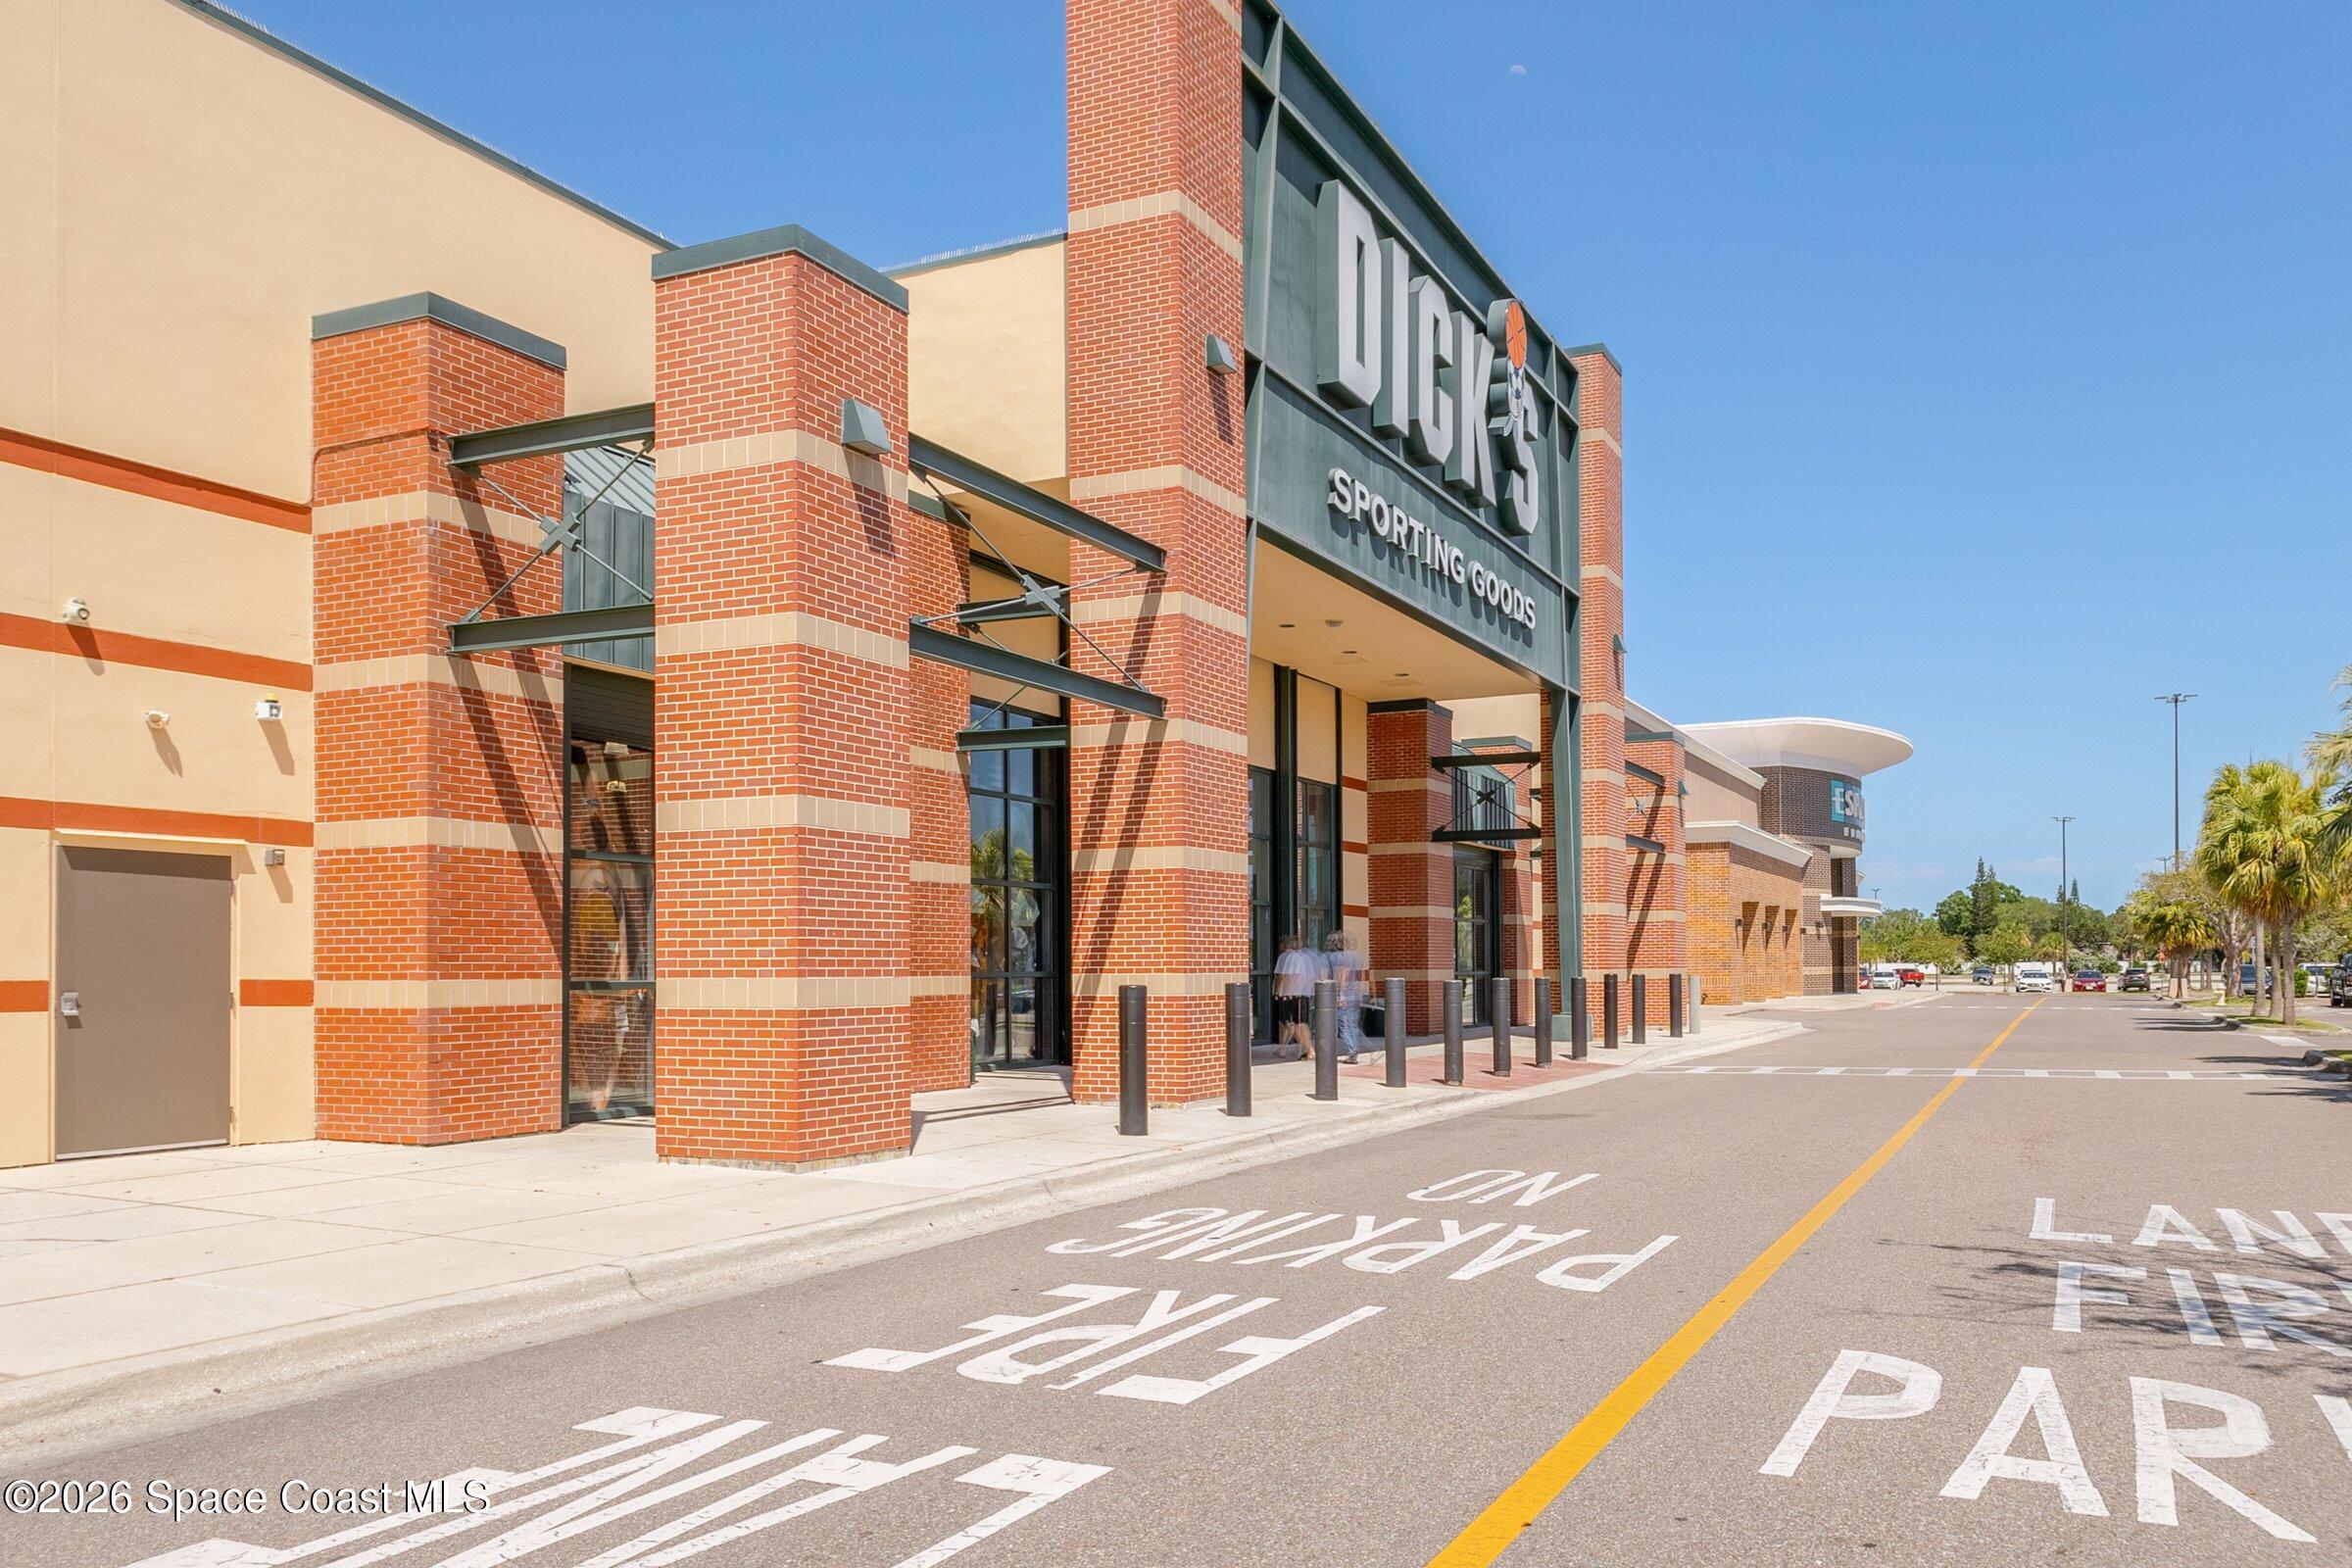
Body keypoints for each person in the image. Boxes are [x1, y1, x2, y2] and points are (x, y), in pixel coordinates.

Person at [1273, 933, 1322, 1057]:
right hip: (1304, 992)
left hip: (1290, 993)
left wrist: (1278, 992)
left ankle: (1309, 1049)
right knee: (1293, 1022)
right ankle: (1285, 1048)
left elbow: (1283, 976)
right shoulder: (1307, 957)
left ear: (1284, 945)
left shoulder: (1285, 957)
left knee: (1293, 1023)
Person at [1324, 928, 1365, 1063]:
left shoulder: (1339, 957)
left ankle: (1352, 1051)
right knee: (1352, 1023)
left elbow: (1343, 975)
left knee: (1342, 1023)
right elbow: (1361, 976)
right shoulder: (1358, 956)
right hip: (1356, 993)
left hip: (1345, 994)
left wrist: (1340, 994)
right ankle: (1354, 1050)